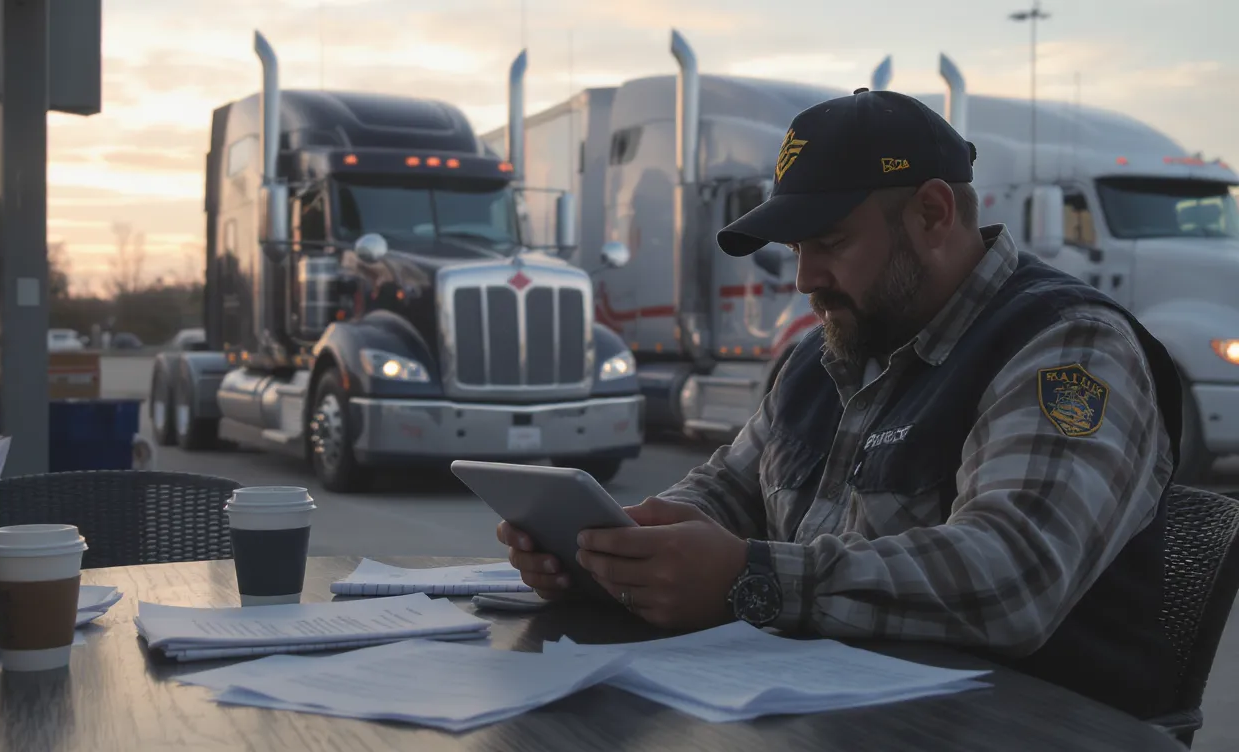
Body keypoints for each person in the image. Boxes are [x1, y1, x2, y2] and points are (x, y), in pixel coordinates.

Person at [497, 88, 1184, 720]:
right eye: (797, 248)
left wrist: (751, 579)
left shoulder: (1066, 346)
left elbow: (1011, 576)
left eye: (830, 243)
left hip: (1028, 730)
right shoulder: (822, 357)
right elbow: (729, 489)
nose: (804, 279)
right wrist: (625, 548)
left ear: (933, 214)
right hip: (838, 722)